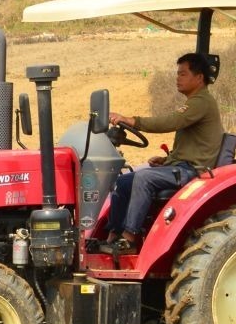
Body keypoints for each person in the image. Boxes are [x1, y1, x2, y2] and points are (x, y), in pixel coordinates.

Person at [92, 52, 223, 255]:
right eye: (177, 73)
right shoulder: (195, 102)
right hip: (181, 166)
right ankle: (112, 236)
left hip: (193, 171)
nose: (177, 78)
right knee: (122, 182)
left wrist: (132, 120)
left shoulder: (201, 102)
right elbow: (192, 147)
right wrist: (166, 160)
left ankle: (129, 239)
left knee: (143, 178)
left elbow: (170, 122)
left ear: (199, 77)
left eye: (183, 74)